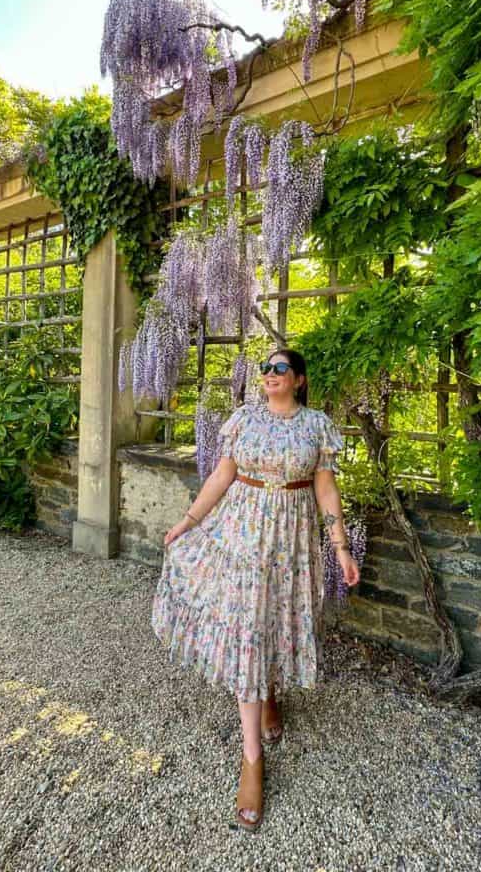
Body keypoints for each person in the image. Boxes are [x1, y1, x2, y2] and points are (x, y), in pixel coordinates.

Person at [151, 348, 360, 831]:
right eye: (266, 368)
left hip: (291, 544)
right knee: (247, 627)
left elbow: (325, 490)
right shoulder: (243, 419)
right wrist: (187, 521)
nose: (269, 374)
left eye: (280, 368)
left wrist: (342, 547)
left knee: (275, 621)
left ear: (300, 380)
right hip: (238, 536)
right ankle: (252, 760)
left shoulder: (316, 425)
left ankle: (270, 695)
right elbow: (222, 475)